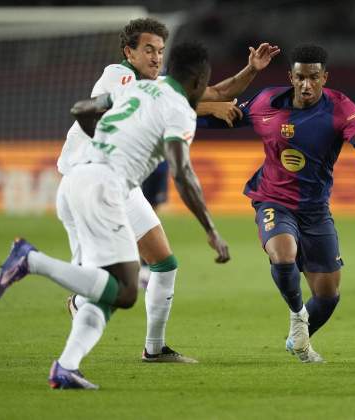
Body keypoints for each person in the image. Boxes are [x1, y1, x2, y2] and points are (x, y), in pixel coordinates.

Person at [0, 41, 228, 389]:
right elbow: (182, 172)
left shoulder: (143, 87)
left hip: (78, 179)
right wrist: (210, 228)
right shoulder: (180, 110)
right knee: (126, 290)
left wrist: (105, 142)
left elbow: (83, 109)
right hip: (104, 188)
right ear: (198, 82)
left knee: (110, 293)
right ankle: (32, 260)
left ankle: (66, 367)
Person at [58, 18, 278, 364]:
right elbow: (192, 103)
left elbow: (216, 92)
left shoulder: (155, 86)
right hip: (90, 179)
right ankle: (52, 281)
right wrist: (206, 108)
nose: (156, 57)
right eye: (148, 49)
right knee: (108, 283)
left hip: (120, 184)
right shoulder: (118, 76)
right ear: (128, 51)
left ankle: (154, 348)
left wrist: (251, 69)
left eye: (161, 50)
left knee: (164, 263)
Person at [198, 44, 355, 363]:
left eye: (313, 77)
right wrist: (196, 114)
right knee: (283, 255)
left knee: (327, 296)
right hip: (272, 199)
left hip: (315, 210)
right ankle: (298, 317)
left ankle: (297, 338)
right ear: (291, 77)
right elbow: (217, 120)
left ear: (324, 77)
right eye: (300, 77)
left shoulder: (341, 108)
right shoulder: (267, 101)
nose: (306, 84)